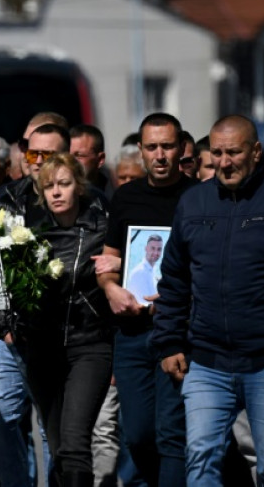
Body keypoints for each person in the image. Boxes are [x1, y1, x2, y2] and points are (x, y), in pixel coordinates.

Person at [151, 114, 264, 487]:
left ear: (255, 151)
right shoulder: (194, 202)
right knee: (200, 459)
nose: (223, 162)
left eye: (233, 152)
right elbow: (174, 279)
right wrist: (169, 340)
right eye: (216, 153)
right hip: (206, 359)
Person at [96, 113, 197, 487]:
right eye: (152, 147)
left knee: (172, 434)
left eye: (167, 146)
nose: (159, 155)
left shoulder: (198, 198)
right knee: (137, 434)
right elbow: (107, 265)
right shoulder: (125, 197)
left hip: (179, 331)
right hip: (132, 333)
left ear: (180, 148)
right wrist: (111, 289)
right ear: (140, 150)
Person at [0, 121, 72, 487]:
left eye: (50, 155)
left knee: (54, 429)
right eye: (34, 154)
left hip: (62, 337)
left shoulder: (88, 203)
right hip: (6, 336)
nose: (39, 162)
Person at [13, 153, 113, 487]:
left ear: (79, 188)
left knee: (74, 443)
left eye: (64, 184)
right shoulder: (26, 235)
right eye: (49, 186)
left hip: (90, 345)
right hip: (43, 348)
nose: (57, 192)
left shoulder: (103, 229)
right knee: (57, 447)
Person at [71, 124, 115, 198]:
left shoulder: (114, 198)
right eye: (67, 155)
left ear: (100, 160)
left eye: (79, 155)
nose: (70, 161)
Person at [125, 235, 162, 306]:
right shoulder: (140, 273)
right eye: (153, 248)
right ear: (146, 248)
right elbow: (143, 305)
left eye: (159, 249)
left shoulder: (151, 270)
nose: (156, 253)